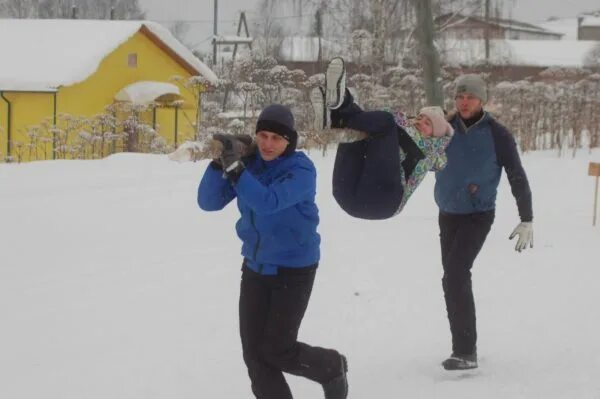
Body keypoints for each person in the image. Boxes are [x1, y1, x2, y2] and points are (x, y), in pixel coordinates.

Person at [197, 104, 348, 399]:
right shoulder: (250, 164)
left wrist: (237, 169)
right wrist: (219, 163)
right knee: (254, 355)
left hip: (294, 268)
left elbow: (268, 201)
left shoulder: (301, 170)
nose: (267, 144)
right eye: (263, 135)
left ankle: (330, 366)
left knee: (278, 349)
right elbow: (209, 202)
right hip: (255, 266)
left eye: (276, 138)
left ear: (289, 141)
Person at [435, 74, 534, 370]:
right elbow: (419, 159)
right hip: (448, 213)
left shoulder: (497, 134)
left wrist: (526, 216)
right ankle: (463, 348)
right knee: (453, 279)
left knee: (455, 273)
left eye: (471, 97)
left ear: (482, 100)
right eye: (460, 97)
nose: (464, 102)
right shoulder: (444, 129)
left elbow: (516, 173)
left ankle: (465, 351)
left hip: (478, 215)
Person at [311, 57, 454, 220]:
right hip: (347, 196)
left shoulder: (429, 149)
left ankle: (338, 110)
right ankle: (337, 103)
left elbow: (388, 122)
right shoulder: (399, 133)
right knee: (361, 131)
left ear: (435, 136)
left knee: (384, 122)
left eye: (428, 123)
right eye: (420, 117)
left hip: (384, 201)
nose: (420, 122)